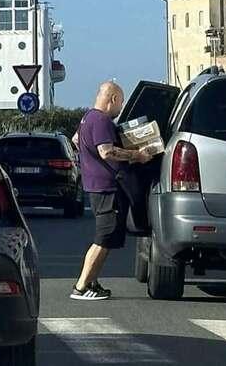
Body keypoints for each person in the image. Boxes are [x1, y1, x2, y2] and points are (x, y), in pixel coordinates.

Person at [71, 81, 154, 301]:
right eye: (121, 102)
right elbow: (106, 152)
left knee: (106, 239)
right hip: (107, 188)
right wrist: (138, 155)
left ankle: (92, 282)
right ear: (114, 99)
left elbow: (76, 139)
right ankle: (81, 286)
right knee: (103, 238)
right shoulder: (101, 120)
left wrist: (89, 162)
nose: (121, 108)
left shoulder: (87, 118)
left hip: (97, 185)